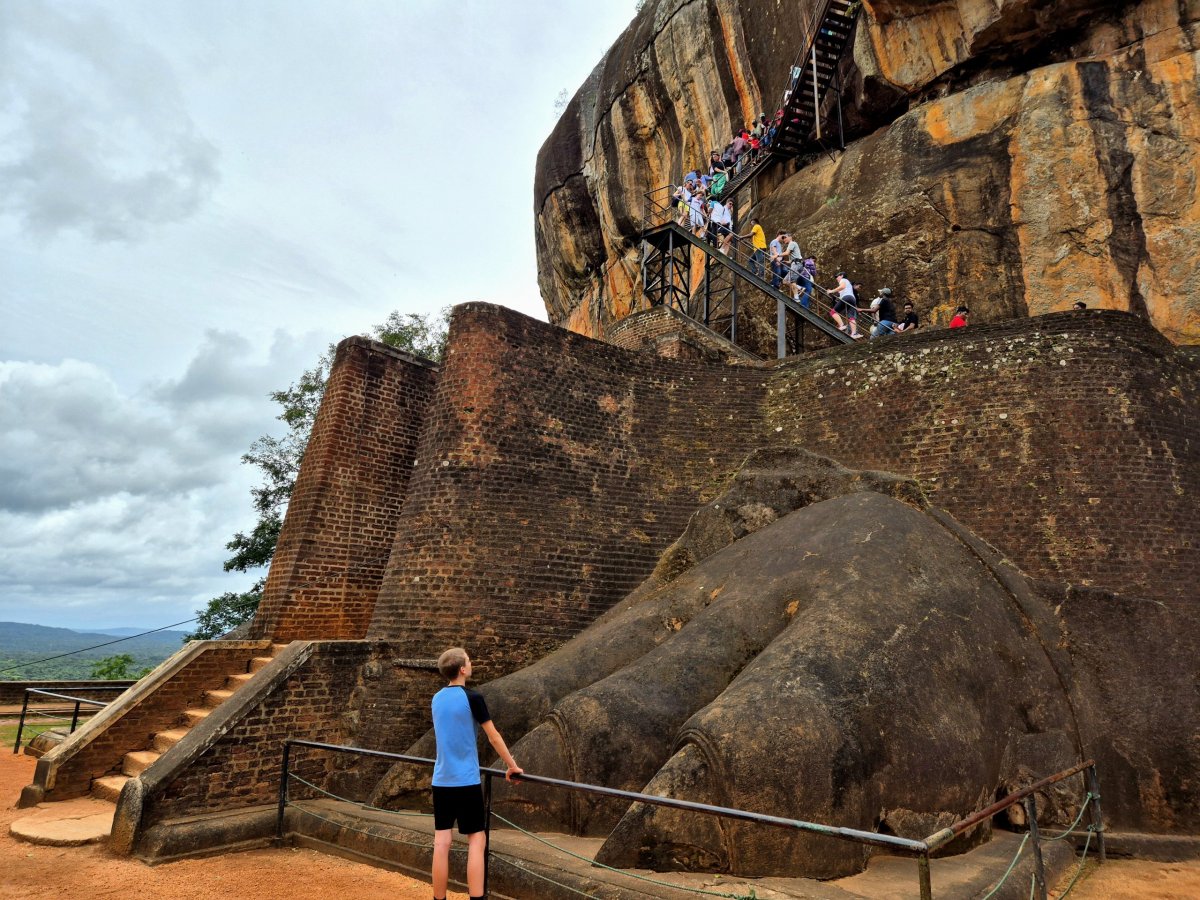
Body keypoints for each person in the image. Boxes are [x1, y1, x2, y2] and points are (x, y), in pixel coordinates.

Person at [431, 648, 522, 900]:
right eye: (469, 661)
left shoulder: (436, 698)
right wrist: (511, 765)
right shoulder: (473, 698)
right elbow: (493, 736)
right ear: (462, 669)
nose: (471, 664)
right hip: (466, 780)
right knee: (476, 840)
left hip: (441, 779)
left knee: (441, 842)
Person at [831, 271, 862, 338]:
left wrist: (832, 291)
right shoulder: (848, 284)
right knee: (851, 317)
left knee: (833, 312)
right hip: (852, 299)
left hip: (847, 298)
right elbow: (843, 291)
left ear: (842, 276)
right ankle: (854, 334)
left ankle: (842, 325)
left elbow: (842, 286)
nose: (836, 278)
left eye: (837, 276)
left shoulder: (843, 280)